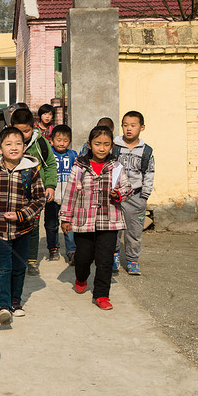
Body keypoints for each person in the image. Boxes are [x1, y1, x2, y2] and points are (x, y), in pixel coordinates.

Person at [0, 127, 45, 324]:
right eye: (8, 144)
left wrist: (22, 214)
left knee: (19, 268)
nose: (14, 148)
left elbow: (39, 199)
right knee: (3, 267)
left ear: (24, 147)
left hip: (23, 229)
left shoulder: (31, 171)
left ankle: (16, 302)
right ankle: (3, 306)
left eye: (18, 144)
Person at [60, 126, 132, 310]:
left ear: (111, 147)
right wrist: (66, 218)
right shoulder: (79, 168)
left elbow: (128, 188)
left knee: (105, 260)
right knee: (83, 257)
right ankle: (81, 276)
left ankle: (101, 295)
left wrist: (119, 194)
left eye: (106, 144)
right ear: (89, 145)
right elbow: (70, 194)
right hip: (84, 221)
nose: (102, 148)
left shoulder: (116, 168)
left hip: (109, 220)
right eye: (97, 144)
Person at [0, 107, 56, 276]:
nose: (23, 135)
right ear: (11, 126)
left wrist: (50, 186)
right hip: (6, 195)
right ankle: (10, 259)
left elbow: (50, 165)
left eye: (26, 131)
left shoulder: (40, 143)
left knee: (31, 227)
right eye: (18, 130)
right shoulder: (1, 143)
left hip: (31, 196)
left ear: (33, 127)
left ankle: (31, 260)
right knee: (7, 228)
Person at [112, 111, 155, 275]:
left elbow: (149, 173)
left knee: (134, 231)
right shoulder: (114, 147)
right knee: (114, 229)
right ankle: (114, 256)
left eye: (133, 125)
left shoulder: (146, 151)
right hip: (115, 196)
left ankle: (132, 260)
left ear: (142, 127)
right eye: (125, 125)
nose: (128, 129)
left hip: (136, 196)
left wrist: (145, 195)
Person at [45, 124, 78, 262]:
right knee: (51, 224)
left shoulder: (73, 155)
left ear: (69, 141)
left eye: (65, 140)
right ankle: (53, 248)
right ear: (51, 140)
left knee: (69, 224)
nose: (62, 143)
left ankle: (71, 250)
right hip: (51, 198)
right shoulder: (48, 154)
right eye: (58, 140)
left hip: (68, 198)